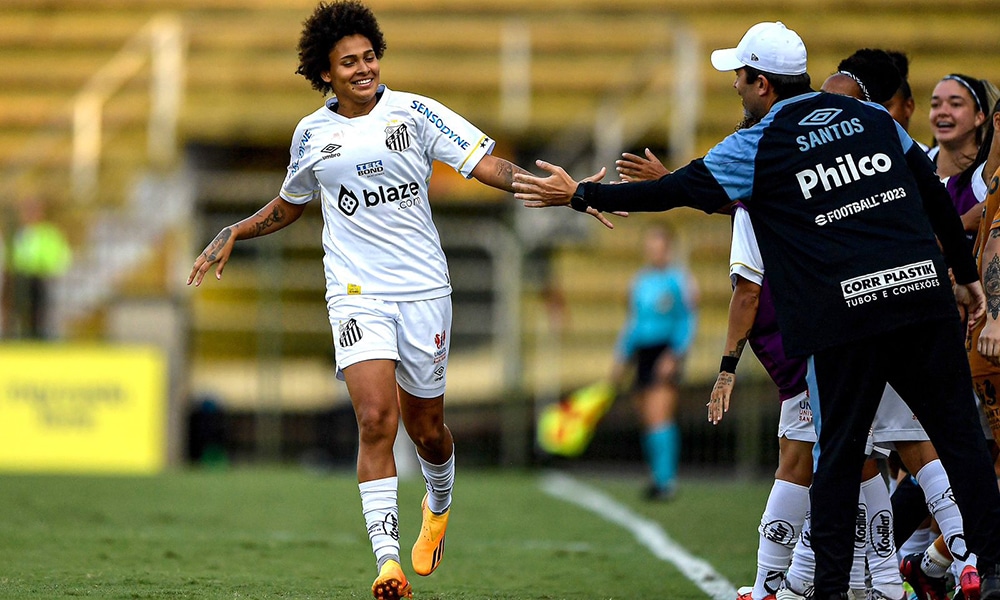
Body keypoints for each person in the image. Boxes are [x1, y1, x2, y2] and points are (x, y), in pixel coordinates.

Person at [513, 21, 1000, 600]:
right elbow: (928, 193)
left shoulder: (759, 142)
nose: (737, 90)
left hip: (847, 316)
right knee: (963, 441)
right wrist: (968, 280)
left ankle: (827, 590)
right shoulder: (874, 119)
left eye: (740, 79)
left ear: (763, 84)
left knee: (839, 457)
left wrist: (581, 194)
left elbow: (672, 191)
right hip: (920, 297)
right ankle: (994, 572)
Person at [186, 2, 613, 599]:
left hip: (424, 294)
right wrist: (237, 229)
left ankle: (437, 505)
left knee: (428, 429)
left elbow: (484, 164)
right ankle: (387, 563)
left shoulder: (414, 112)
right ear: (325, 73)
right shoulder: (311, 134)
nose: (364, 69)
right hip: (357, 295)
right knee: (375, 419)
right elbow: (290, 203)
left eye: (369, 57)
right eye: (348, 62)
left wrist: (566, 193)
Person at [610, 224, 697, 501]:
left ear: (668, 248)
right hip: (642, 353)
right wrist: (621, 357)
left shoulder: (680, 280)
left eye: (659, 245)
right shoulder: (640, 281)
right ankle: (656, 476)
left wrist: (675, 354)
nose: (654, 251)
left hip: (665, 351)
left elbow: (687, 320)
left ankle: (666, 480)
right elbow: (633, 322)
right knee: (647, 418)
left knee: (660, 416)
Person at [9, 197, 72, 339]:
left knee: (42, 307)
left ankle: (40, 334)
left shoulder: (48, 233)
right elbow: (16, 256)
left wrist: (50, 268)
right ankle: (26, 333)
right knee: (24, 307)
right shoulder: (21, 233)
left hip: (43, 275)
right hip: (23, 276)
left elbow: (59, 253)